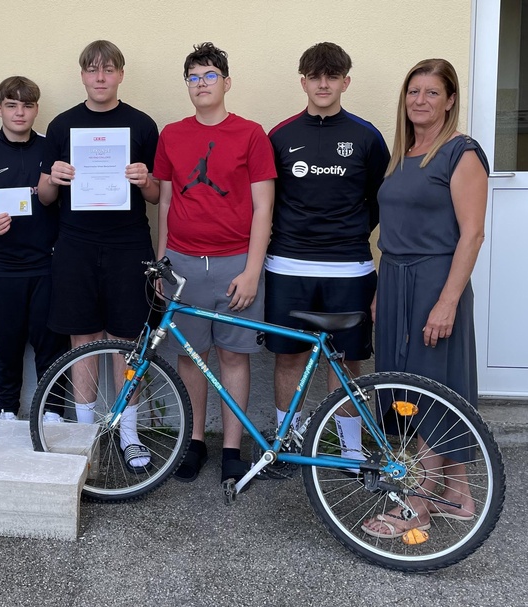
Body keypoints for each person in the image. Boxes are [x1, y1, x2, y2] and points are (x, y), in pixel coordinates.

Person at [362, 59, 488, 538]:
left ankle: (417, 502)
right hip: (395, 280)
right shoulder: (404, 154)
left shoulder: (461, 153)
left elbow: (472, 235)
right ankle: (458, 495)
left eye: (432, 92)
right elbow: (394, 232)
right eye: (414, 91)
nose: (420, 100)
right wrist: (381, 288)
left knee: (432, 388)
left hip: (436, 281)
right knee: (407, 388)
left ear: (450, 100)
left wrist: (448, 301)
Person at [153, 43, 276, 483]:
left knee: (233, 357)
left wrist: (252, 271)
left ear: (226, 82)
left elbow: (263, 207)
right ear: (186, 85)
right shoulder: (171, 135)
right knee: (191, 357)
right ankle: (194, 443)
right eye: (193, 77)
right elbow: (166, 202)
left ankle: (231, 449)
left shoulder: (251, 134)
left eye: (209, 76)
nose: (201, 84)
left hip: (235, 265)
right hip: (184, 265)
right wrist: (163, 263)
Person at [38, 40, 161, 471]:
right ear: (83, 76)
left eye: (109, 69)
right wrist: (53, 178)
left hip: (129, 244)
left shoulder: (142, 125)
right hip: (76, 244)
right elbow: (45, 196)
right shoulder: (62, 125)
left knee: (127, 341)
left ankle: (128, 433)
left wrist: (145, 180)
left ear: (121, 75)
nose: (101, 77)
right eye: (93, 70)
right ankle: (85, 435)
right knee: (83, 339)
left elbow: (157, 195)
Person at [265, 42, 389, 464]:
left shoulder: (367, 136)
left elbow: (379, 200)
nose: (323, 84)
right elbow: (267, 200)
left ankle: (350, 452)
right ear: (303, 82)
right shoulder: (280, 136)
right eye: (315, 77)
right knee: (289, 357)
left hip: (349, 268)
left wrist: (351, 235)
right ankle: (287, 444)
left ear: (345, 82)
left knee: (348, 361)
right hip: (287, 265)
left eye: (332, 76)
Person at [0, 76, 67, 421]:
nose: (19, 112)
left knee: (52, 345)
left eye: (27, 105)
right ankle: (7, 411)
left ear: (36, 110)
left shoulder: (51, 148)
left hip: (47, 265)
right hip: (1, 267)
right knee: (6, 346)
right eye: (11, 105)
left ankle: (53, 411)